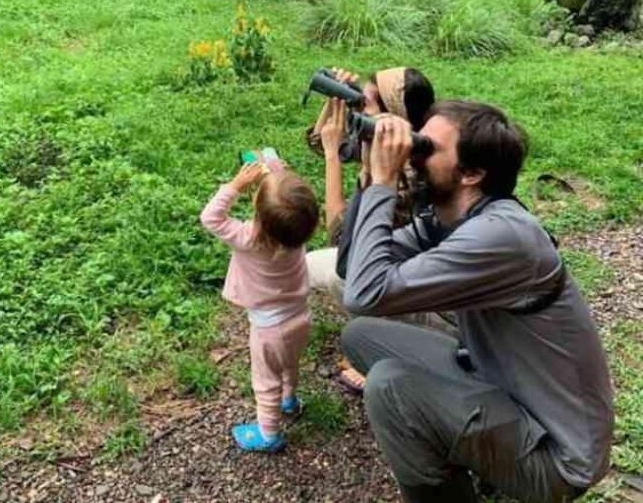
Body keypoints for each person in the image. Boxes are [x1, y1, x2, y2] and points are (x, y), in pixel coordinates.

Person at [340, 101, 613, 502]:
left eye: (425, 148)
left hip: (558, 457)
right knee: (361, 336)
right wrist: (368, 179)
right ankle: (463, 447)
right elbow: (352, 266)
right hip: (501, 385)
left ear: (470, 174)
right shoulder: (451, 219)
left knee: (389, 388)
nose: (413, 155)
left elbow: (365, 292)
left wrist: (385, 183)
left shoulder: (502, 236)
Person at [306, 66, 439, 394]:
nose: (358, 112)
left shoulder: (402, 177)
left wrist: (332, 159)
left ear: (391, 116)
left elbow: (340, 240)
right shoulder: (410, 142)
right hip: (413, 269)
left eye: (365, 106)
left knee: (341, 275)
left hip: (413, 291)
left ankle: (388, 344)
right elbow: (318, 140)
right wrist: (337, 100)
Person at [200, 161, 320, 453]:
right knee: (290, 364)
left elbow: (210, 217)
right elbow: (290, 204)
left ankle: (269, 434)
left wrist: (235, 186)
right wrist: (276, 171)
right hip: (300, 317)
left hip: (269, 329)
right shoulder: (297, 235)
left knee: (265, 381)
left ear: (260, 214)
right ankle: (289, 401)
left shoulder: (248, 238)